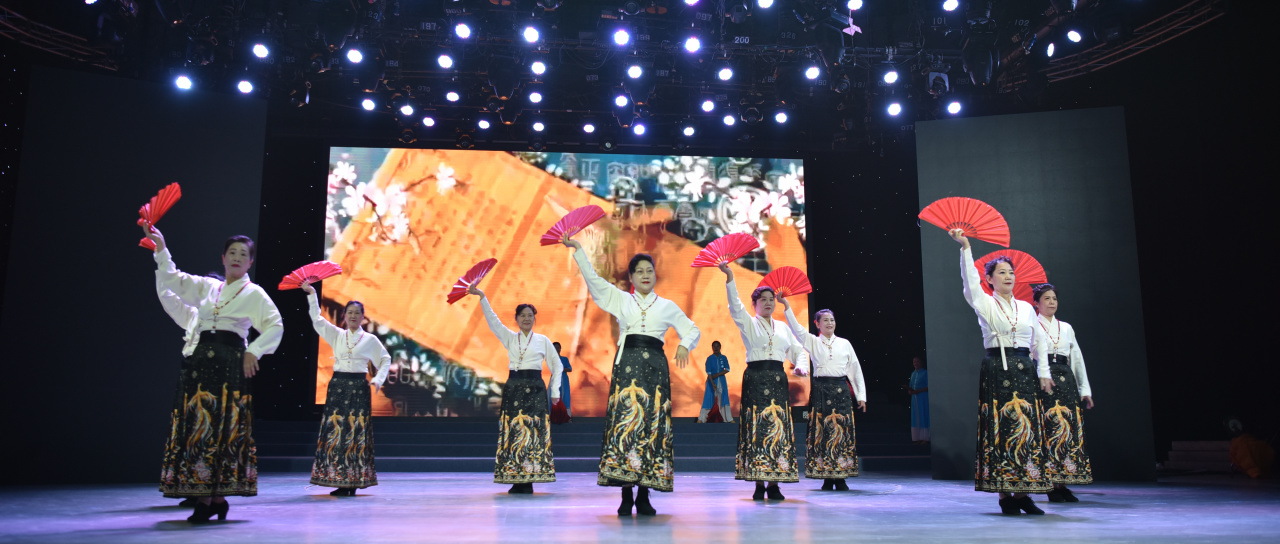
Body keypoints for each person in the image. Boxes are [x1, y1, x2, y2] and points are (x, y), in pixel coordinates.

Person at [143, 224, 284, 523]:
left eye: (243, 254)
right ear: (223, 258)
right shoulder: (209, 287)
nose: (236, 257)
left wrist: (254, 350)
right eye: (232, 252)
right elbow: (175, 280)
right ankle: (213, 498)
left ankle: (209, 500)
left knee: (222, 428)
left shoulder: (254, 293)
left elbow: (275, 325)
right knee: (199, 426)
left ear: (250, 262)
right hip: (201, 363)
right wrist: (161, 248)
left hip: (230, 363)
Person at [563, 238, 699, 516]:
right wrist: (579, 251)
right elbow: (595, 282)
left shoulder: (667, 306)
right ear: (632, 278)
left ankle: (644, 494)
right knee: (626, 426)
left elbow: (692, 329)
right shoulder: (622, 300)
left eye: (649, 270)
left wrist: (685, 344)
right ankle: (626, 494)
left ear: (655, 275)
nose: (645, 275)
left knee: (651, 428)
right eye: (640, 272)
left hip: (655, 371)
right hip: (627, 368)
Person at [948, 228, 1054, 515]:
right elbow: (969, 282)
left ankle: (1024, 493)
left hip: (1025, 370)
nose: (1009, 276)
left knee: (1026, 430)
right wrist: (965, 247)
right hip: (997, 368)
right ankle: (1005, 494)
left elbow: (1039, 342)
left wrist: (1044, 372)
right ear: (990, 279)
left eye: (1011, 272)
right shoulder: (985, 302)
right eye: (1002, 273)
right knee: (1001, 429)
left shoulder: (1026, 308)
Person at [717, 263, 807, 501]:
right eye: (763, 300)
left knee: (777, 429)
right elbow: (735, 306)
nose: (768, 303)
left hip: (777, 380)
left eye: (771, 299)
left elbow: (799, 351)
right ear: (754, 304)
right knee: (757, 429)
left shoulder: (783, 327)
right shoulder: (749, 323)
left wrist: (801, 366)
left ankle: (775, 483)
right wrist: (730, 276)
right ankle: (758, 482)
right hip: (756, 379)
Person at [469, 284, 562, 494]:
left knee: (533, 433)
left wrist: (555, 392)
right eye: (522, 316)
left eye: (530, 315)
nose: (526, 319)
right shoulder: (510, 338)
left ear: (535, 318)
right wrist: (482, 296)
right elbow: (493, 321)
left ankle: (529, 479)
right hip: (514, 389)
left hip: (535, 390)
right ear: (517, 319)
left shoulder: (543, 340)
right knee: (514, 433)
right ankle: (516, 478)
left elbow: (557, 366)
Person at [301, 281, 390, 497]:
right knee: (337, 432)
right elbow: (317, 320)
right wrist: (312, 294)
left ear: (363, 317)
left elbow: (385, 359)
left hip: (358, 387)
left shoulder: (370, 340)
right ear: (344, 315)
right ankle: (340, 480)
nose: (353, 316)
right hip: (338, 387)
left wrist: (378, 379)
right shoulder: (337, 335)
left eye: (357, 313)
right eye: (349, 312)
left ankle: (354, 481)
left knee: (355, 433)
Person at [781, 299, 866, 491]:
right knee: (822, 434)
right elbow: (796, 329)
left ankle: (841, 477)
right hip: (821, 390)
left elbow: (855, 369)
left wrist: (861, 395)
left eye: (832, 320)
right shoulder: (813, 341)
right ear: (817, 323)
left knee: (841, 433)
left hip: (840, 390)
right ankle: (826, 476)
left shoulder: (844, 343)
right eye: (825, 320)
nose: (830, 323)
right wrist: (787, 307)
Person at [1031, 283, 1094, 502]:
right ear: (1036, 303)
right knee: (1048, 430)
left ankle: (1063, 482)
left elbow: (1077, 358)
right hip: (1044, 378)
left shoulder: (1066, 327)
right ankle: (1050, 483)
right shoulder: (1032, 325)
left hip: (1066, 379)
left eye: (1054, 299)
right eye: (1046, 299)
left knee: (1066, 430)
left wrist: (1084, 389)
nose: (1051, 302)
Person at [154, 268, 207, 508]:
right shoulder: (193, 315)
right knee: (187, 432)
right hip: (191, 373)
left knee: (207, 434)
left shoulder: (230, 317)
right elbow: (168, 298)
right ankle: (189, 486)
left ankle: (207, 490)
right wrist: (161, 269)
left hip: (216, 378)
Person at [699, 341, 733, 423]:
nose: (716, 348)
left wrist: (717, 374)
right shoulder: (709, 358)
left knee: (723, 399)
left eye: (717, 346)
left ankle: (728, 418)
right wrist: (712, 383)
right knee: (708, 398)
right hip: (711, 381)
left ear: (720, 347)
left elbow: (727, 369)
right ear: (712, 348)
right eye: (714, 346)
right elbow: (709, 373)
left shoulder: (724, 358)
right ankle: (702, 418)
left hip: (722, 381)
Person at [908, 356, 930, 445]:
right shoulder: (913, 374)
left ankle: (925, 437)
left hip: (923, 398)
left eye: (917, 361)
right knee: (916, 417)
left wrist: (919, 391)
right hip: (915, 399)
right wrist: (910, 391)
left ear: (921, 362)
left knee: (923, 416)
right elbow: (911, 385)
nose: (915, 363)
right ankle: (917, 437)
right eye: (914, 362)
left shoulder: (925, 373)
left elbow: (929, 386)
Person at [552, 341, 572, 419]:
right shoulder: (551, 359)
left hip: (564, 380)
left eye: (558, 347)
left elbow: (570, 369)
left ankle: (567, 417)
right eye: (555, 348)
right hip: (555, 380)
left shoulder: (564, 359)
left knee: (565, 396)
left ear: (560, 349)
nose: (557, 349)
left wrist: (562, 369)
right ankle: (555, 417)